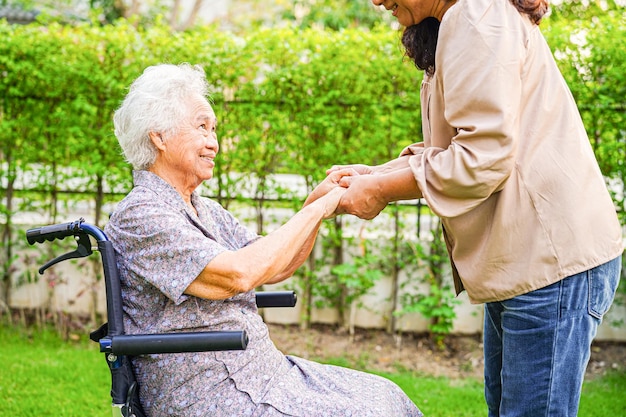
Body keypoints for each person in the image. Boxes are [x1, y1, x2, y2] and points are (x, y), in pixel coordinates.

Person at [324, 0, 624, 416]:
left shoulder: (477, 16)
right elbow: (455, 149)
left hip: (549, 264)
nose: (376, 1)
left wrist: (379, 191)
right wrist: (373, 174)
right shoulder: (465, 18)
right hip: (527, 263)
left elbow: (480, 158)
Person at [104, 63, 422, 417]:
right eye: (202, 128)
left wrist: (318, 202)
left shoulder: (201, 207)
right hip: (206, 390)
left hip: (257, 370)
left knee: (385, 397)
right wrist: (321, 209)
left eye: (214, 130)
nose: (214, 143)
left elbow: (275, 265)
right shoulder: (141, 215)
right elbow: (238, 275)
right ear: (159, 136)